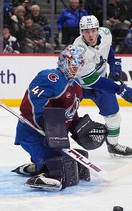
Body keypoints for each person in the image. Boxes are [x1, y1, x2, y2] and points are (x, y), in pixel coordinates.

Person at [12, 45, 107, 190]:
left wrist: (79, 127)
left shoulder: (77, 87)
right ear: (63, 61)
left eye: (79, 64)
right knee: (56, 168)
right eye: (73, 63)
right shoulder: (50, 77)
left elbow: (71, 114)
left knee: (75, 164)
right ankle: (41, 171)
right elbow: (30, 104)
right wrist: (46, 126)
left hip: (55, 137)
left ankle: (35, 167)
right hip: (33, 132)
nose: (76, 68)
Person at [73, 15, 132, 157]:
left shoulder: (105, 33)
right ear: (81, 32)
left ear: (98, 29)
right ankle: (56, 145)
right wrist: (120, 90)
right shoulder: (79, 50)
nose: (90, 35)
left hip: (101, 83)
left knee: (114, 117)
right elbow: (93, 80)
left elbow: (107, 49)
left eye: (93, 30)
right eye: (86, 31)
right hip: (80, 86)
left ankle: (113, 145)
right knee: (65, 114)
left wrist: (113, 62)